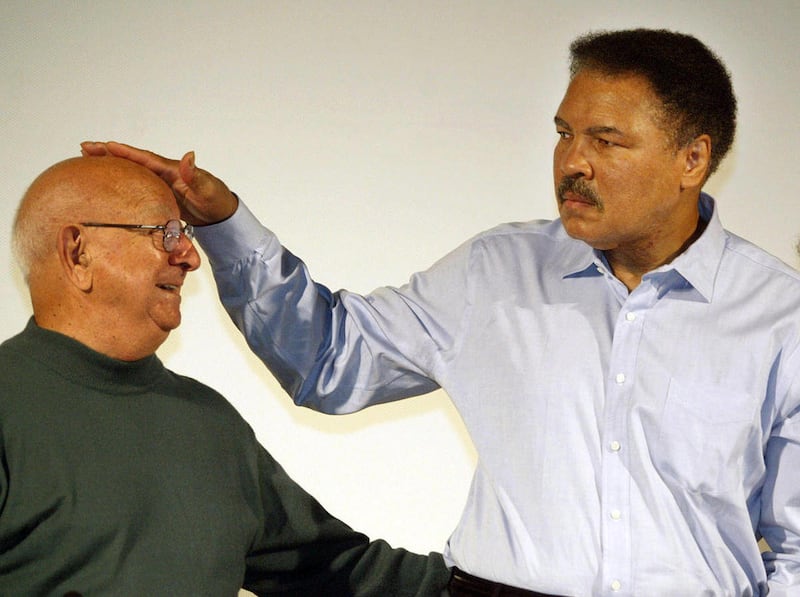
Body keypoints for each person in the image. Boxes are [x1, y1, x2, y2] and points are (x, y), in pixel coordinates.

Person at [82, 28, 800, 596]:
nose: (572, 163)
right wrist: (225, 223)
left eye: (606, 141)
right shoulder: (497, 271)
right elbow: (329, 358)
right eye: (564, 133)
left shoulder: (780, 316)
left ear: (692, 159)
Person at [0, 155, 452, 596]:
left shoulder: (206, 421)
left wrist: (480, 583)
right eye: (166, 234)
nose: (189, 258)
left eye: (185, 234)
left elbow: (340, 574)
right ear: (78, 253)